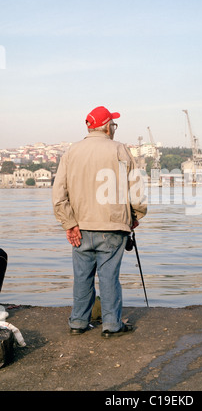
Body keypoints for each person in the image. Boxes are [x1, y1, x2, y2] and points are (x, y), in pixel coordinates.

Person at [52, 106, 147, 337]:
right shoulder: (120, 150)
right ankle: (112, 326)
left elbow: (58, 195)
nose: (113, 128)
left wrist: (69, 223)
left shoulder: (72, 152)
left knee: (82, 277)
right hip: (112, 226)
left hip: (80, 228)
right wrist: (134, 217)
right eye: (112, 124)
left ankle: (78, 323)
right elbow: (136, 190)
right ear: (107, 127)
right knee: (109, 277)